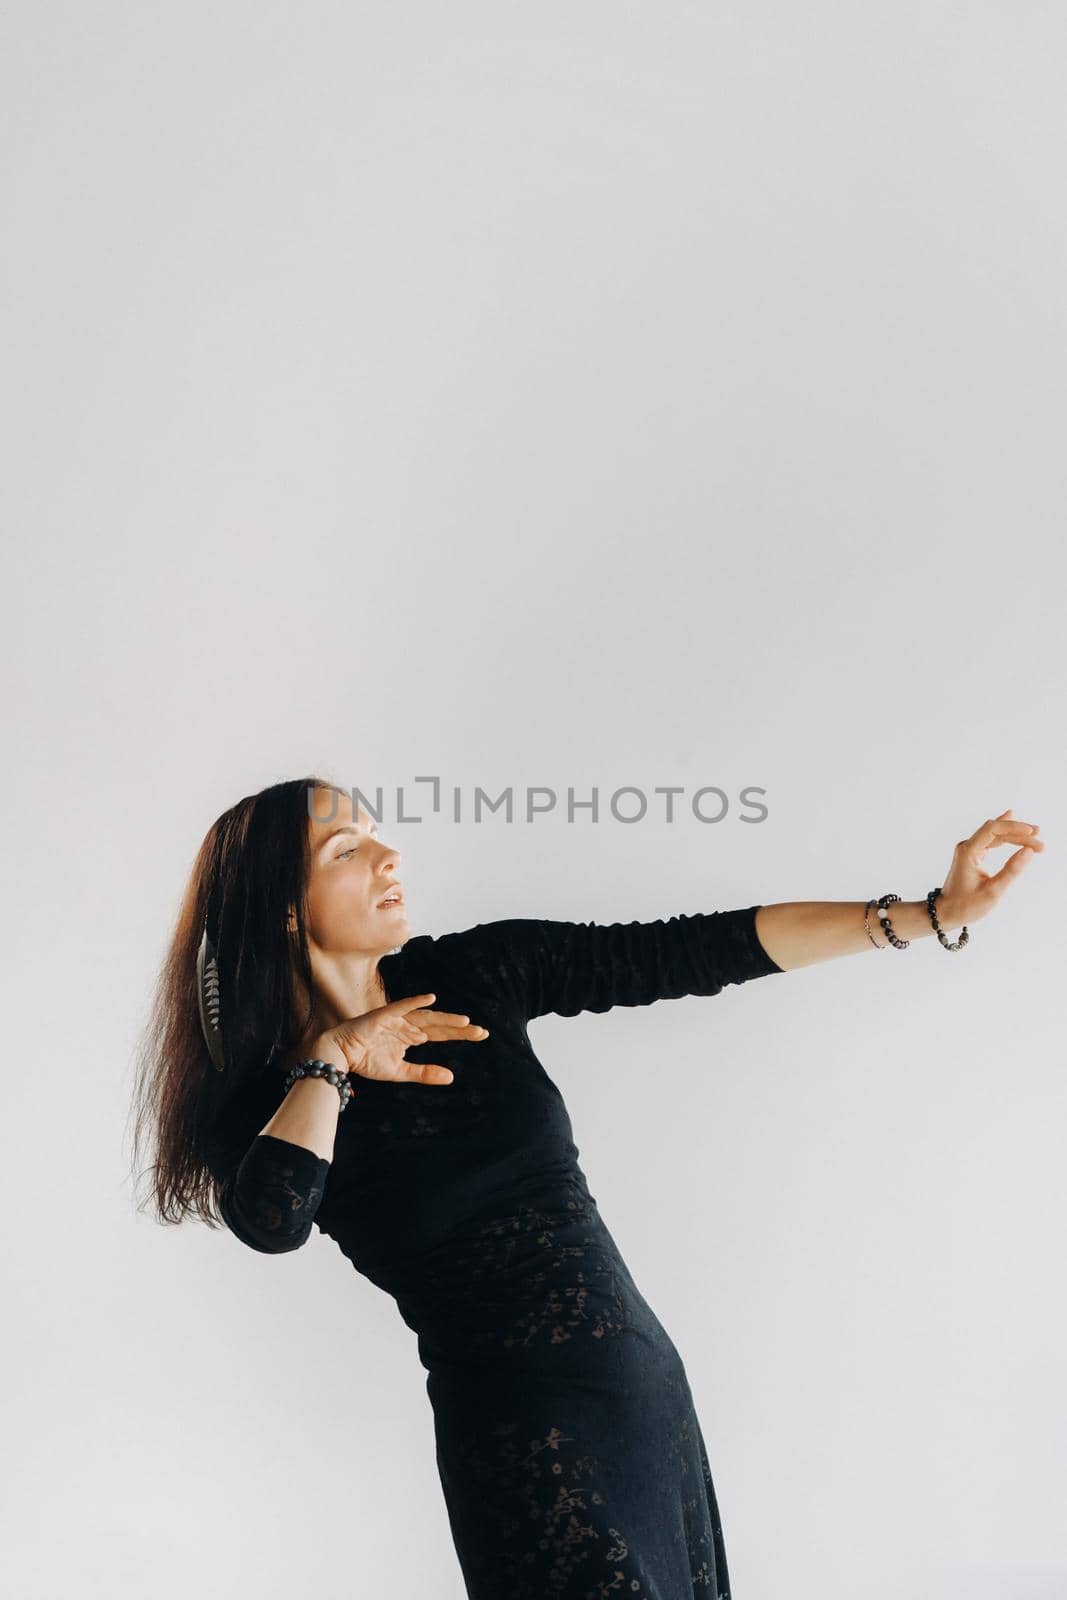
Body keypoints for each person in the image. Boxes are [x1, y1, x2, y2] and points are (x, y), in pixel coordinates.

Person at [129, 777, 1043, 1599]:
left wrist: (926, 912)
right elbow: (274, 1219)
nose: (388, 854)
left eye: (378, 832)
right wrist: (329, 1061)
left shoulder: (470, 977)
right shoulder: (270, 1098)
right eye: (345, 849)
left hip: (641, 1393)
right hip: (523, 1429)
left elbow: (691, 951)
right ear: (283, 912)